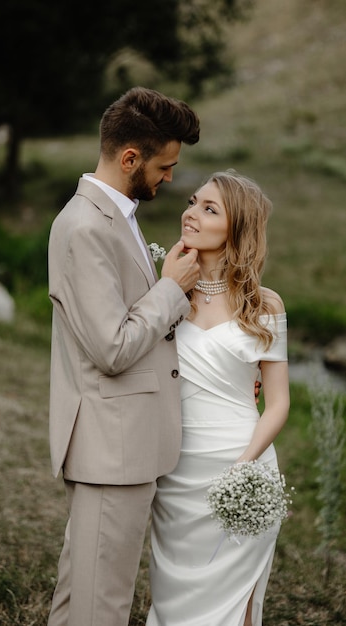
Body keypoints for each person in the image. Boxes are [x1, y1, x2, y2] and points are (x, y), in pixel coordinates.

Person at [47, 86, 201, 626]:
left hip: (125, 441)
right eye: (165, 166)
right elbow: (111, 348)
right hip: (111, 448)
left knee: (81, 596)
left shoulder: (119, 215)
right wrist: (171, 289)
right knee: (101, 607)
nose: (170, 179)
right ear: (130, 158)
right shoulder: (83, 227)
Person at [146, 170, 290, 626]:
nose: (191, 213)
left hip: (241, 468)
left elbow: (279, 401)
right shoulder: (166, 294)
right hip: (177, 468)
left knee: (237, 600)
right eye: (192, 202)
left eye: (210, 209)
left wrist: (245, 463)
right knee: (173, 597)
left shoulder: (264, 305)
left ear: (237, 228)